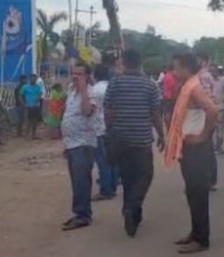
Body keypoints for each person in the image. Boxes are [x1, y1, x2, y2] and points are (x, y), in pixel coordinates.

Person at [104, 49, 165, 238]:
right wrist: (162, 135)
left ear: (123, 63)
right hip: (141, 139)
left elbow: (108, 112)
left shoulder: (114, 83)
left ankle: (132, 213)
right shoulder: (150, 85)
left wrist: (110, 131)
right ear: (140, 63)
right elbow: (155, 114)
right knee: (145, 175)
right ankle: (131, 208)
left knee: (128, 177)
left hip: (120, 138)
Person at [164, 52, 218, 254]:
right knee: (192, 193)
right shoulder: (188, 85)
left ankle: (201, 239)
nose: (174, 72)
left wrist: (204, 135)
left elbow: (212, 110)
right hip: (188, 146)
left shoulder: (194, 88)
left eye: (176, 68)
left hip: (196, 148)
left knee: (198, 194)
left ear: (187, 68)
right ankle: (195, 233)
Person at [61, 63, 99, 231]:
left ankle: (83, 215)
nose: (75, 76)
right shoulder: (71, 92)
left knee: (81, 181)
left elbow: (87, 111)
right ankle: (80, 212)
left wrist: (83, 90)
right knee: (76, 181)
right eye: (73, 73)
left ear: (87, 76)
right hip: (72, 143)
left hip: (83, 144)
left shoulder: (91, 92)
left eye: (79, 74)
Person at [92, 64, 117, 201]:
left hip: (99, 127)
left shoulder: (94, 90)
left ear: (95, 75)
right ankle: (112, 186)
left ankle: (106, 189)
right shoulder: (113, 87)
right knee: (112, 159)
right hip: (112, 127)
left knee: (102, 160)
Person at [196, 52, 218, 190]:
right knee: (207, 148)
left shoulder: (202, 76)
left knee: (203, 149)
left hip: (202, 115)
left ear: (204, 62)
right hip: (204, 114)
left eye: (199, 60)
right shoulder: (206, 76)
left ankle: (205, 179)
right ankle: (209, 180)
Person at [212, 67, 224, 155]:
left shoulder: (223, 81)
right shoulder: (208, 81)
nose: (213, 73)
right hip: (210, 107)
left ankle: (219, 146)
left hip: (221, 107)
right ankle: (212, 146)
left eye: (215, 71)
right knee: (212, 128)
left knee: (220, 127)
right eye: (212, 71)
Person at [20, 74, 44, 139]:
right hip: (28, 106)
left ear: (36, 80)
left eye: (34, 79)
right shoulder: (25, 87)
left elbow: (40, 93)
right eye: (32, 79)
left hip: (36, 106)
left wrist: (38, 99)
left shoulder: (38, 87)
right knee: (27, 121)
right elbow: (21, 95)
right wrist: (23, 104)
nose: (33, 80)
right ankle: (27, 134)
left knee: (35, 121)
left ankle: (33, 135)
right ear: (30, 79)